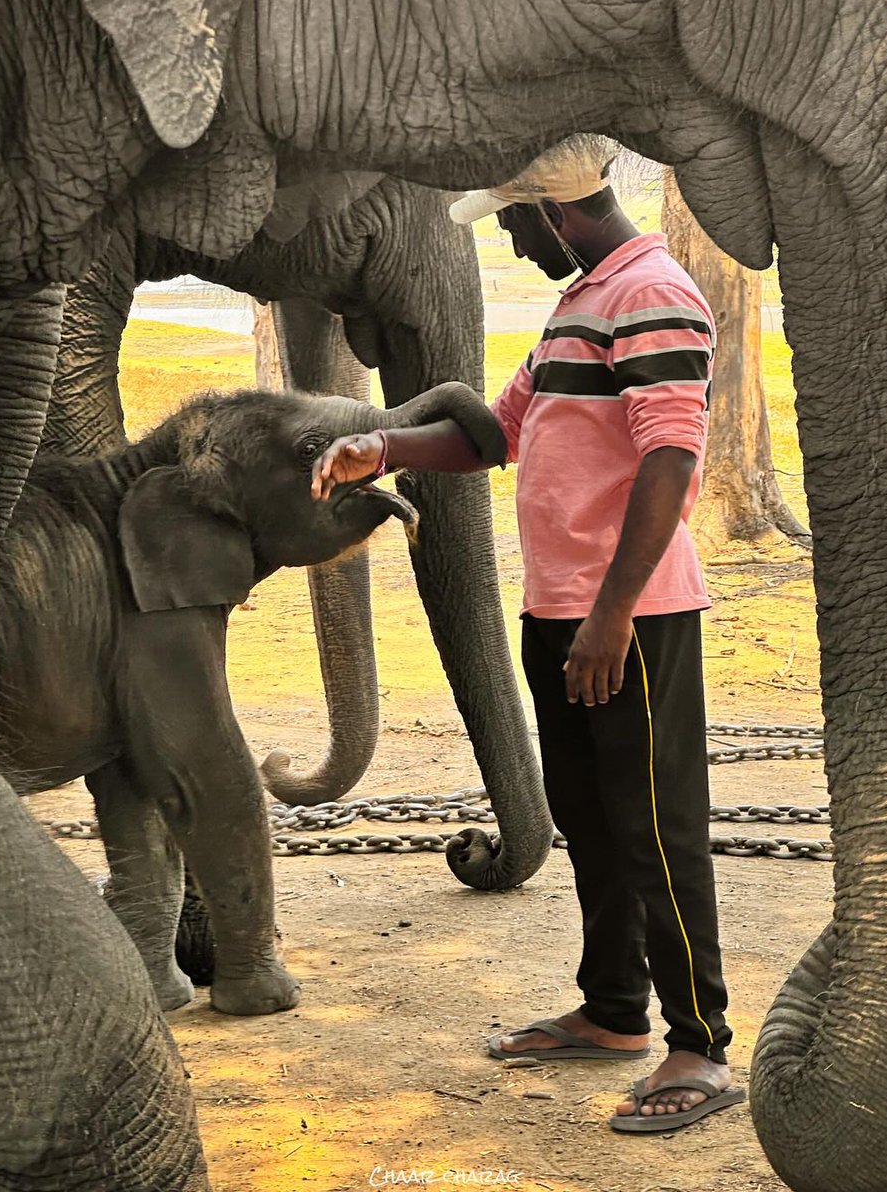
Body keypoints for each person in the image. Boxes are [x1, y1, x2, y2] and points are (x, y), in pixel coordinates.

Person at [310, 135, 745, 1133]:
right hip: (562, 614)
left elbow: (671, 463)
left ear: (556, 212)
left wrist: (611, 614)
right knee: (589, 816)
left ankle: (700, 1045)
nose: (508, 241)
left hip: (629, 618)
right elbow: (491, 436)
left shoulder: (652, 294)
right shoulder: (580, 304)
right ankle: (613, 1012)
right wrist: (376, 446)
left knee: (653, 829)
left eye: (511, 221)